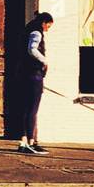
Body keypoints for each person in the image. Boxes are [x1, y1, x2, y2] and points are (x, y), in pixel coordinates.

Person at [19, 12, 55, 155]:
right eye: (48, 26)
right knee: (32, 109)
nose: (47, 29)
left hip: (24, 73)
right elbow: (32, 49)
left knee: (26, 108)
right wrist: (44, 61)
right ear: (43, 22)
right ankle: (31, 143)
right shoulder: (36, 32)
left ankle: (23, 142)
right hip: (34, 74)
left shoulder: (28, 29)